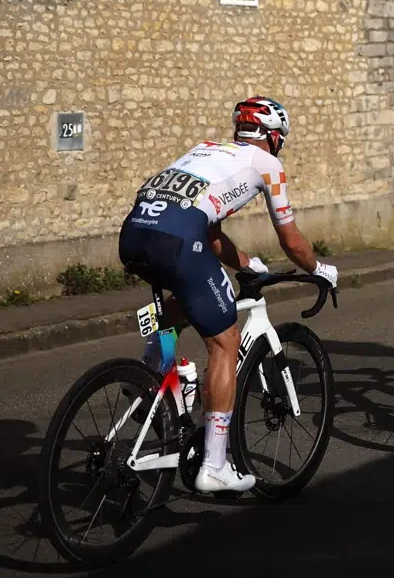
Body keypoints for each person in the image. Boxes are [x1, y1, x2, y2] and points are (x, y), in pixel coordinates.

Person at [118, 96, 338, 494]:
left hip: (134, 234)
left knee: (190, 297)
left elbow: (210, 231)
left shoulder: (204, 151)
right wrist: (319, 270)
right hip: (179, 241)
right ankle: (216, 465)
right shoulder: (267, 165)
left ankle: (153, 366)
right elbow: (290, 239)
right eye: (280, 139)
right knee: (224, 340)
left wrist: (247, 262)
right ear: (272, 137)